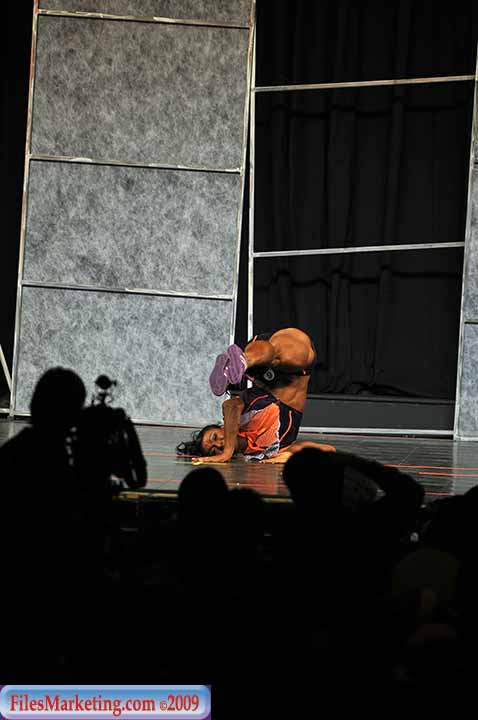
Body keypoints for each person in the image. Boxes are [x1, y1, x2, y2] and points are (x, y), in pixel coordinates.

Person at [177, 328, 335, 463]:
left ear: (221, 427)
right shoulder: (266, 452)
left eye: (214, 437)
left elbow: (231, 405)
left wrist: (227, 452)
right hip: (297, 371)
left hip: (263, 359)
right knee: (295, 357)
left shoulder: (237, 421)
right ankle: (238, 366)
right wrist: (291, 456)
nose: (219, 444)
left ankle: (241, 362)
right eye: (214, 451)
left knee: (274, 351)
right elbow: (328, 450)